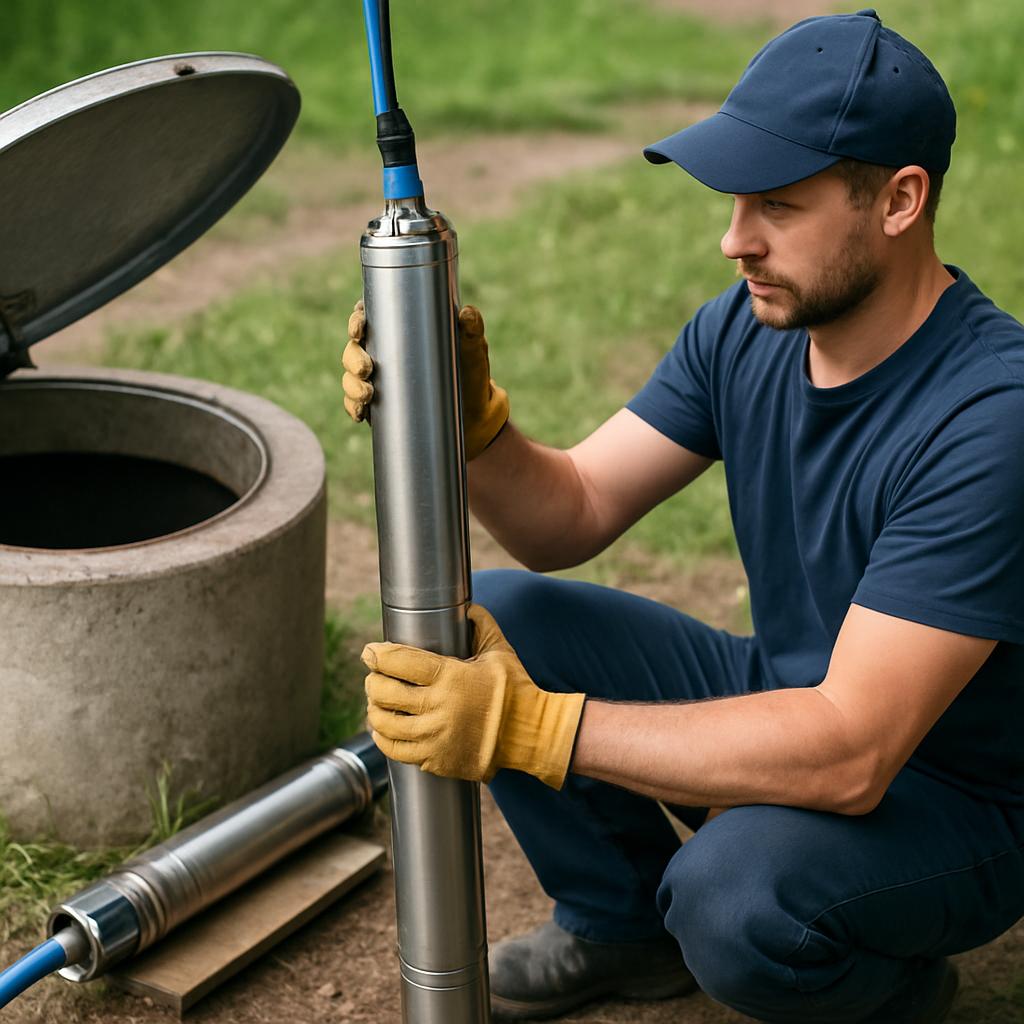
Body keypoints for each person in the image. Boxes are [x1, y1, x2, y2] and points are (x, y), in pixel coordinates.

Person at [342, 9, 1024, 1023]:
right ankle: (618, 928)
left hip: (952, 799)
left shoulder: (991, 416)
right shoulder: (744, 333)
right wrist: (466, 420)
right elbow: (565, 514)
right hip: (799, 694)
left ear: (899, 200)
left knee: (737, 895)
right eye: (736, 198)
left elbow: (849, 748)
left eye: (778, 207)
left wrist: (533, 728)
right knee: (496, 615)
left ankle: (885, 984)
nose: (733, 239)